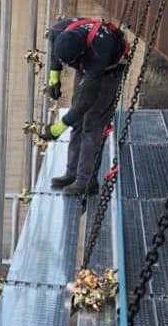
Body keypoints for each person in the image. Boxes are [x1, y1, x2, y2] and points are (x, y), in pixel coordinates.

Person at [40, 17, 128, 196]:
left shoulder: (99, 50)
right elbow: (55, 56)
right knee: (77, 123)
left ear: (81, 53)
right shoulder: (59, 31)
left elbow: (86, 100)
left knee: (91, 124)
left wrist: (58, 128)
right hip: (86, 67)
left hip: (107, 72)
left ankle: (86, 181)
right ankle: (72, 173)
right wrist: (54, 80)